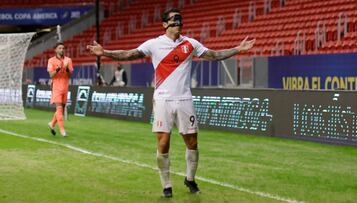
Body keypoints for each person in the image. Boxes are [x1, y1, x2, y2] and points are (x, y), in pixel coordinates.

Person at [87, 8, 255, 198]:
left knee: (192, 142)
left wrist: (238, 50)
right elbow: (129, 54)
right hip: (163, 99)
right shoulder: (154, 44)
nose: (178, 24)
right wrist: (105, 52)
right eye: (174, 20)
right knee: (164, 143)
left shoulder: (190, 44)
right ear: (165, 24)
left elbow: (214, 55)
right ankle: (166, 185)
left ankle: (190, 179)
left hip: (184, 99)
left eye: (180, 20)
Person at [47, 42, 73, 137]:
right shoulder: (51, 60)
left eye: (63, 48)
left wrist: (66, 69)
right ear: (55, 50)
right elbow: (51, 75)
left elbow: (70, 75)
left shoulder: (68, 60)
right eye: (60, 48)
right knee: (59, 108)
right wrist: (57, 69)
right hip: (56, 86)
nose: (62, 49)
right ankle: (62, 130)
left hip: (65, 86)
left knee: (61, 110)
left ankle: (52, 124)